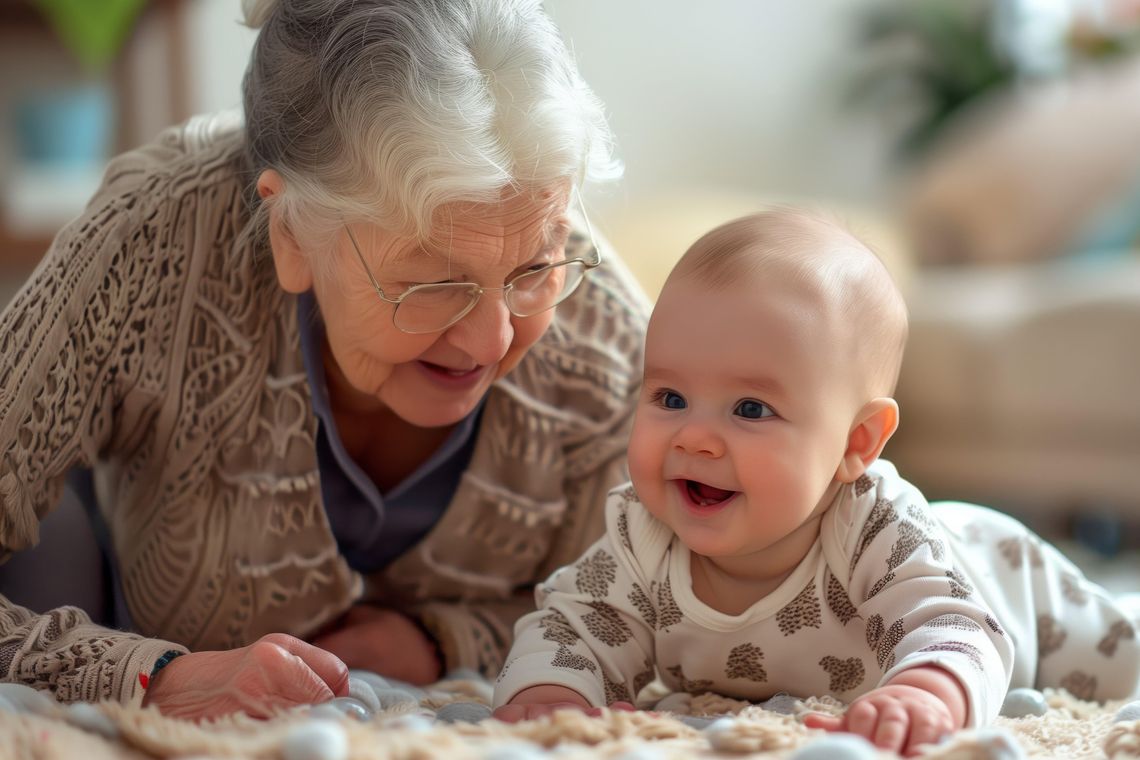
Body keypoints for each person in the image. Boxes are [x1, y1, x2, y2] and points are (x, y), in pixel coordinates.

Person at [0, 0, 649, 721]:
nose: (492, 340)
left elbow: (675, 615)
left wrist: (446, 639)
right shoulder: (150, 243)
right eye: (432, 281)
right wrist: (149, 677)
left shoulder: (608, 347)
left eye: (535, 268)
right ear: (290, 231)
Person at [491, 209, 1140, 755]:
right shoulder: (644, 534)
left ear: (857, 443)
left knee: (1121, 658)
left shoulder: (875, 526)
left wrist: (926, 692)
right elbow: (572, 626)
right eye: (669, 396)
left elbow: (955, 624)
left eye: (750, 409)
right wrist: (551, 693)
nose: (693, 437)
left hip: (1006, 579)